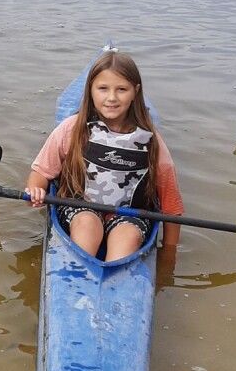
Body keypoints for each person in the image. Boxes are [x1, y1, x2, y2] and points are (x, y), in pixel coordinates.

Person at [25, 50, 183, 265]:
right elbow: (41, 172)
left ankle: (116, 276)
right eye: (102, 89)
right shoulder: (71, 129)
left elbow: (171, 205)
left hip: (129, 215)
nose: (111, 98)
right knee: (86, 224)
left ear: (135, 92)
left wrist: (169, 254)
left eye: (121, 90)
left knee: (128, 236)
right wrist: (36, 190)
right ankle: (80, 272)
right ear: (90, 90)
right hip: (80, 208)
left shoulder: (151, 141)